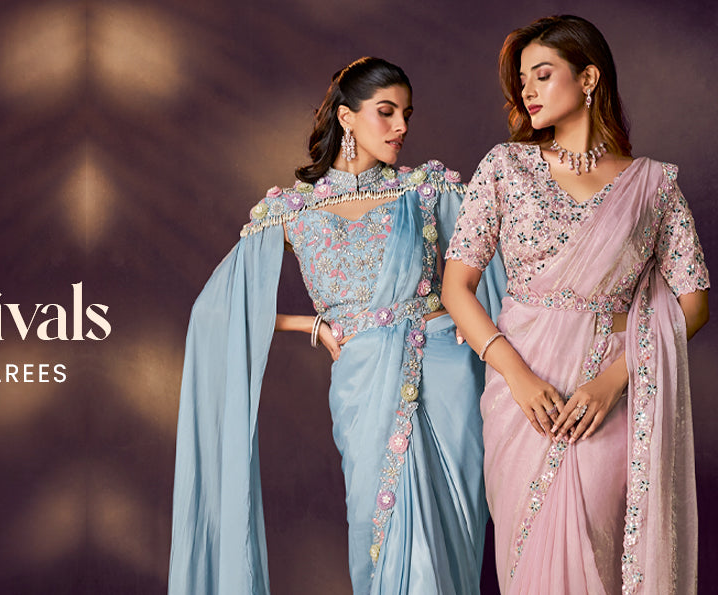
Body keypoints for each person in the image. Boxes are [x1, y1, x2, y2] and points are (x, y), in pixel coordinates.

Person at [168, 57, 504, 595]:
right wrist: (313, 326)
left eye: (407, 114)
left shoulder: (427, 190)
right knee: (379, 538)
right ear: (347, 117)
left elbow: (502, 275)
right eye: (386, 112)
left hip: (446, 380)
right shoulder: (293, 210)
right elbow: (216, 312)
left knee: (447, 553)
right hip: (363, 383)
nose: (401, 126)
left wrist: (474, 329)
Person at [441, 16, 711, 595]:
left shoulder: (652, 187)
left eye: (542, 75)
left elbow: (693, 304)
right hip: (520, 401)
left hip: (607, 399)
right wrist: (516, 377)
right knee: (526, 560)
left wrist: (615, 381)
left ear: (588, 78)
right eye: (522, 81)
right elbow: (455, 288)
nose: (528, 92)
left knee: (597, 549)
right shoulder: (504, 168)